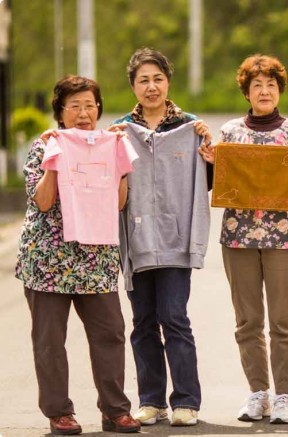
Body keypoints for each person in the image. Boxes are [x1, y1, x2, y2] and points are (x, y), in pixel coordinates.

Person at [199, 54, 288, 425]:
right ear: (247, 92)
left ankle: (285, 395)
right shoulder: (231, 132)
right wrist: (210, 162)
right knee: (247, 321)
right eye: (257, 85)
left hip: (285, 237)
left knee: (285, 321)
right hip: (237, 237)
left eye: (271, 85)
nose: (265, 91)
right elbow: (218, 185)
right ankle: (258, 393)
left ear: (280, 90)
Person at [15, 75, 141, 435]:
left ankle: (115, 410)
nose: (84, 113)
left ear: (98, 109)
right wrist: (56, 158)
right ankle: (60, 412)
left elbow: (118, 202)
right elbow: (42, 201)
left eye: (90, 105)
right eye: (75, 106)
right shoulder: (44, 146)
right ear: (60, 112)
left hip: (95, 257)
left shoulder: (112, 144)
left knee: (111, 333)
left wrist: (118, 163)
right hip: (48, 260)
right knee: (50, 339)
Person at [113, 47, 212, 427]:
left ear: (168, 82)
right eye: (143, 80)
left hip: (174, 240)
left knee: (174, 318)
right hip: (136, 241)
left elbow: (208, 185)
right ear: (133, 86)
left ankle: (186, 400)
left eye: (157, 79)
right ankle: (151, 400)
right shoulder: (121, 131)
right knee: (142, 322)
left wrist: (209, 152)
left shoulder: (190, 127)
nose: (151, 87)